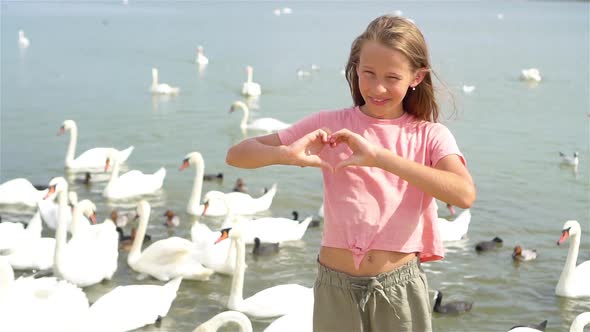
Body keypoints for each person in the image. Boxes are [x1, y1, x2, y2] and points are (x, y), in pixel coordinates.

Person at [226, 14, 475, 332]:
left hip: (399, 289)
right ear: (355, 68)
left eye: (392, 77)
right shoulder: (329, 123)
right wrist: (286, 156)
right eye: (368, 73)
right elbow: (236, 156)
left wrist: (380, 157)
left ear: (416, 77)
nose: (378, 87)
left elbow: (464, 194)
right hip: (335, 288)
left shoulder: (430, 135)